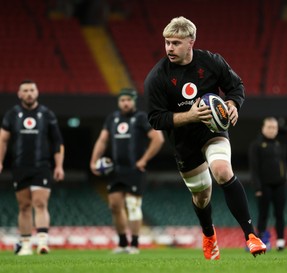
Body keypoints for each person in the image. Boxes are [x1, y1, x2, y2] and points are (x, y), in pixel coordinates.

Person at [144, 16, 266, 259]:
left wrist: (233, 104)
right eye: (167, 42)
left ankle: (251, 236)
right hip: (183, 141)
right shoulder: (157, 77)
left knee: (222, 170)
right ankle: (209, 235)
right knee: (201, 196)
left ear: (191, 42)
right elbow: (156, 119)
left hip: (213, 129)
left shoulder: (211, 61)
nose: (169, 47)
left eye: (176, 43)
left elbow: (236, 86)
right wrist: (189, 116)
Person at [90, 88, 164, 254]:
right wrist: (93, 160)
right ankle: (123, 243)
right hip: (116, 170)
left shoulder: (141, 118)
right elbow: (102, 140)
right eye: (122, 100)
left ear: (134, 101)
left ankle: (134, 244)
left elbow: (158, 138)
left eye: (128, 100)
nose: (125, 103)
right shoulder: (112, 118)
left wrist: (144, 160)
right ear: (119, 102)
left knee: (133, 205)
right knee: (115, 205)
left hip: (135, 169)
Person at [0, 79, 65, 255]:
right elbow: (3, 139)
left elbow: (57, 142)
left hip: (42, 166)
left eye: (32, 90)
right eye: (25, 90)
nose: (29, 93)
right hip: (20, 167)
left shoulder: (47, 114)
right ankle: (26, 243)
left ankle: (43, 242)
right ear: (19, 94)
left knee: (40, 203)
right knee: (24, 206)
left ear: (37, 92)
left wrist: (59, 166)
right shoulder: (12, 114)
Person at [248, 117, 287, 251]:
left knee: (280, 214)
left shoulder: (279, 144)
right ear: (263, 128)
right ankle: (262, 240)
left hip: (280, 185)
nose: (272, 130)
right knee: (263, 214)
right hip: (264, 186)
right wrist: (257, 187)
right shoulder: (256, 145)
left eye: (274, 128)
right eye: (269, 127)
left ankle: (281, 241)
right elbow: (254, 169)